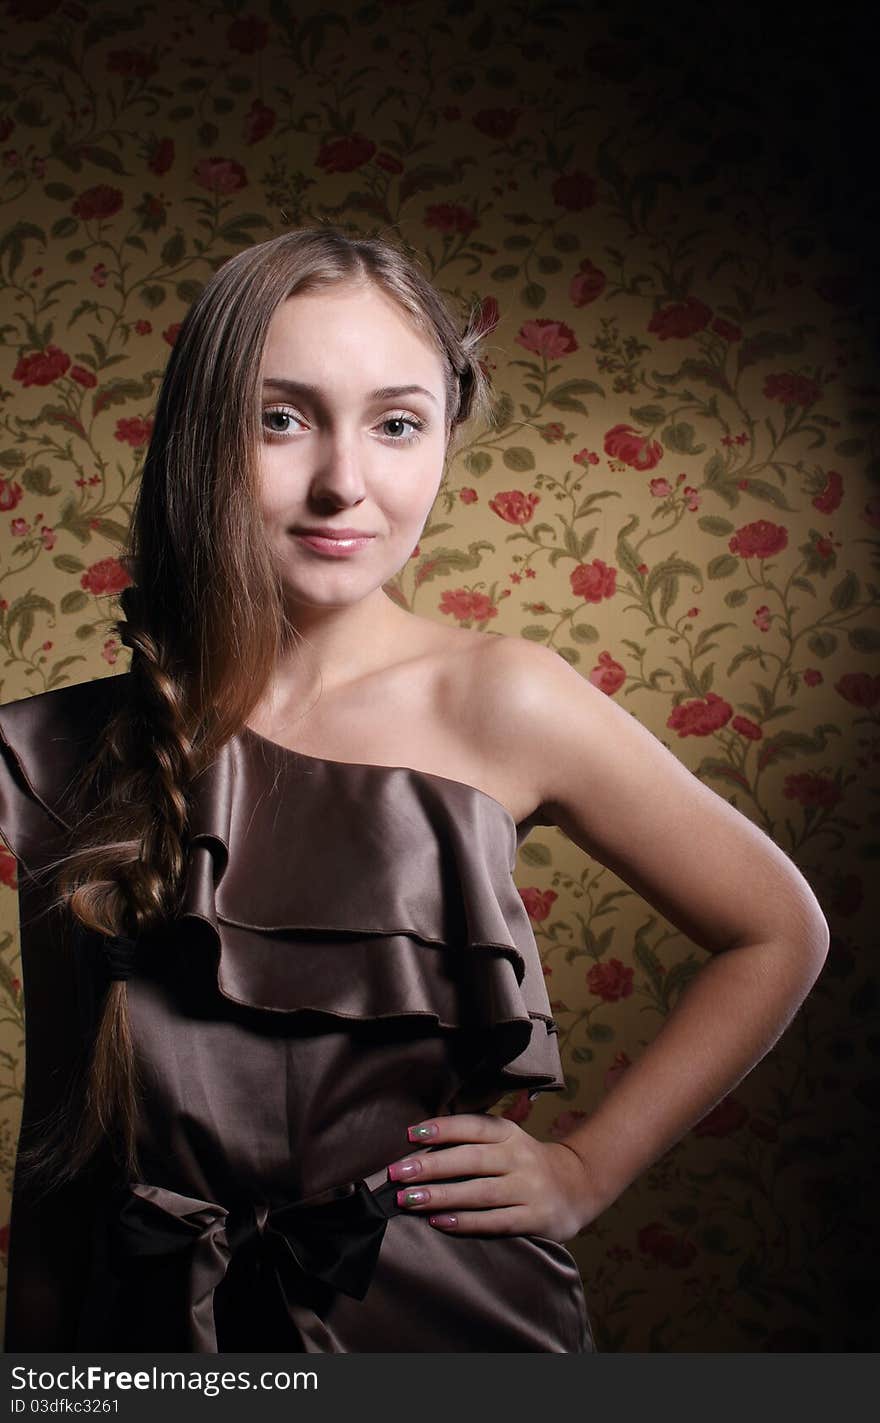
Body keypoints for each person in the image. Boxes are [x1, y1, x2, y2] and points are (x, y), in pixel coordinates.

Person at [0, 226, 830, 1354]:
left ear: (444, 436)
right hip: (152, 1330)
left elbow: (776, 928)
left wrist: (585, 1168)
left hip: (446, 1316)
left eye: (396, 424)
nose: (344, 482)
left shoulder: (507, 701)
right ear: (200, 435)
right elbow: (61, 1143)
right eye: (280, 417)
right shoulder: (59, 748)